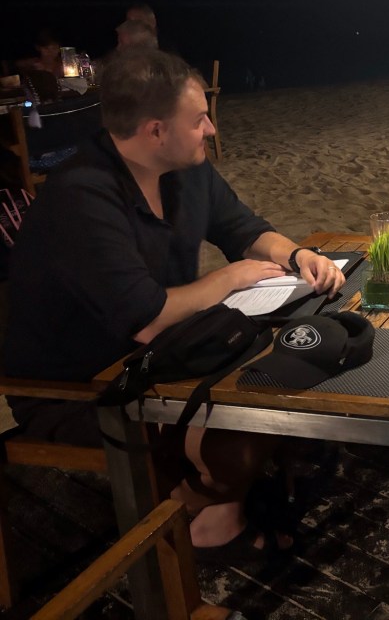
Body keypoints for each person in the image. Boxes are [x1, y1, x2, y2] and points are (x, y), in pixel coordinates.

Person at [1, 48, 345, 557]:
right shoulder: (82, 198)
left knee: (293, 376)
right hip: (82, 391)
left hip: (158, 358)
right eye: (198, 118)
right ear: (155, 131)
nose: (211, 128)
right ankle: (193, 521)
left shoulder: (184, 167)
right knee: (245, 429)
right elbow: (147, 318)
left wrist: (295, 254)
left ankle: (216, 501)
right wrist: (229, 277)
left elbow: (241, 228)